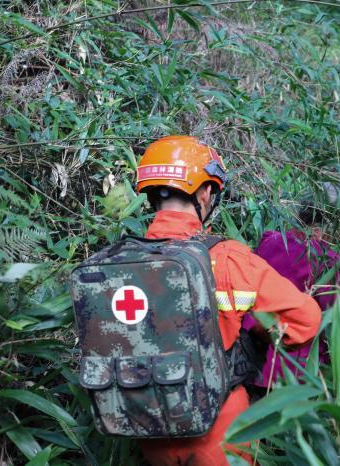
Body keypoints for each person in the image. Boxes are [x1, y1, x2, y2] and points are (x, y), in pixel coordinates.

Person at [134, 135, 322, 466]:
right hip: (218, 423)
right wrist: (264, 334)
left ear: (150, 194)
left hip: (149, 420)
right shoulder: (227, 258)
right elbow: (305, 321)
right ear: (205, 192)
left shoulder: (121, 262)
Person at [242, 185, 340, 391]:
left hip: (249, 359)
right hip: (292, 373)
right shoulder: (328, 262)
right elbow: (333, 324)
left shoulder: (271, 241)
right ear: (335, 222)